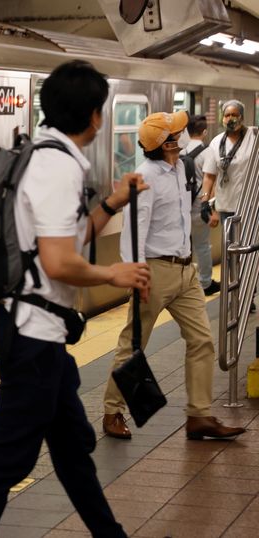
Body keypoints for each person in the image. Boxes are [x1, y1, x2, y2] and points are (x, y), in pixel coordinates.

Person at [0, 60, 150, 537]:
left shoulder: (39, 154)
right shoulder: (59, 166)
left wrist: (110, 203)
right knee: (5, 462)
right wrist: (114, 273)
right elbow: (59, 262)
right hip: (33, 339)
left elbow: (62, 239)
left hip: (34, 331)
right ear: (94, 116)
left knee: (72, 451)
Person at [102, 111, 246, 442]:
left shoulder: (181, 167)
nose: (182, 135)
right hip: (154, 271)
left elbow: (183, 211)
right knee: (133, 343)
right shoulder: (145, 177)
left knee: (202, 341)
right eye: (176, 133)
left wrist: (203, 209)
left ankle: (199, 416)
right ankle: (112, 411)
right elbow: (134, 231)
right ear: (166, 142)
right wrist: (136, 274)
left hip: (185, 270)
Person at [201, 99, 257, 312]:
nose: (230, 119)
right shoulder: (216, 143)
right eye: (227, 115)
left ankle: (248, 292)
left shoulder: (254, 138)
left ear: (242, 117)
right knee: (231, 253)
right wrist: (206, 201)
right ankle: (235, 293)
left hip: (251, 206)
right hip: (226, 208)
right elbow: (208, 177)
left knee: (247, 253)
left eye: (234, 114)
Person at [182, 114, 219, 295]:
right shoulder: (208, 152)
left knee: (183, 248)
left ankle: (183, 283)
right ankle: (205, 283)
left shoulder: (180, 150)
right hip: (199, 207)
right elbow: (209, 180)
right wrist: (210, 208)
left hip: (181, 208)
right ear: (204, 132)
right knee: (202, 246)